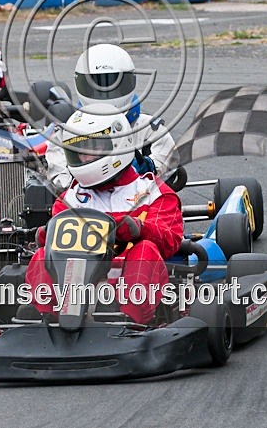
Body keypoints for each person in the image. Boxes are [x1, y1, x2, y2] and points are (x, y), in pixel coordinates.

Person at [24, 106, 184, 324]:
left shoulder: (153, 193)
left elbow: (170, 242)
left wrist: (138, 229)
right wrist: (49, 234)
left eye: (91, 146)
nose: (84, 155)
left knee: (145, 250)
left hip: (129, 283)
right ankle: (43, 319)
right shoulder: (69, 199)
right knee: (42, 254)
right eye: (78, 149)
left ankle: (131, 322)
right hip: (76, 284)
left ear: (119, 143)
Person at [44, 44, 178, 190]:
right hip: (85, 206)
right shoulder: (67, 133)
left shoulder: (150, 128)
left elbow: (169, 165)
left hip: (141, 204)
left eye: (113, 83)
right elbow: (60, 180)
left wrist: (145, 167)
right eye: (97, 85)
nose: (105, 93)